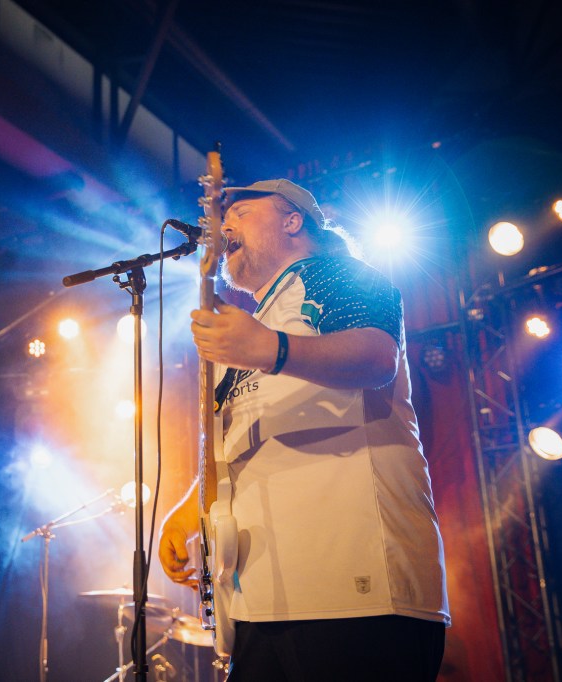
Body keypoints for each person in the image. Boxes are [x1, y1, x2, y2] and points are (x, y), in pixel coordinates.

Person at [158, 179, 450, 681]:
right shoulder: (252, 327)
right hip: (261, 601)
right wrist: (192, 508)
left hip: (358, 591)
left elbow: (378, 358)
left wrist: (272, 349)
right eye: (224, 217)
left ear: (293, 220)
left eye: (242, 212)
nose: (224, 225)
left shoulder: (337, 274)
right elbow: (235, 445)